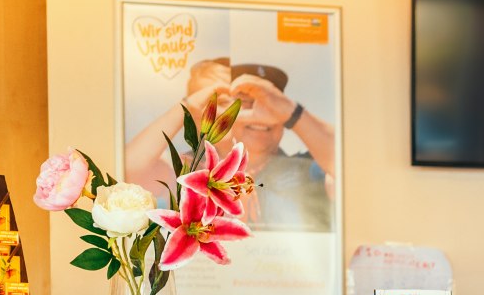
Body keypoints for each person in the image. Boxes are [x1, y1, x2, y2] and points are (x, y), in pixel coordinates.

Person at [124, 57, 337, 232]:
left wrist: (294, 114)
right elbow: (126, 173)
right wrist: (185, 109)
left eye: (268, 101)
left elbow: (348, 170)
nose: (256, 113)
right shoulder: (185, 171)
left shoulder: (310, 172)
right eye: (227, 102)